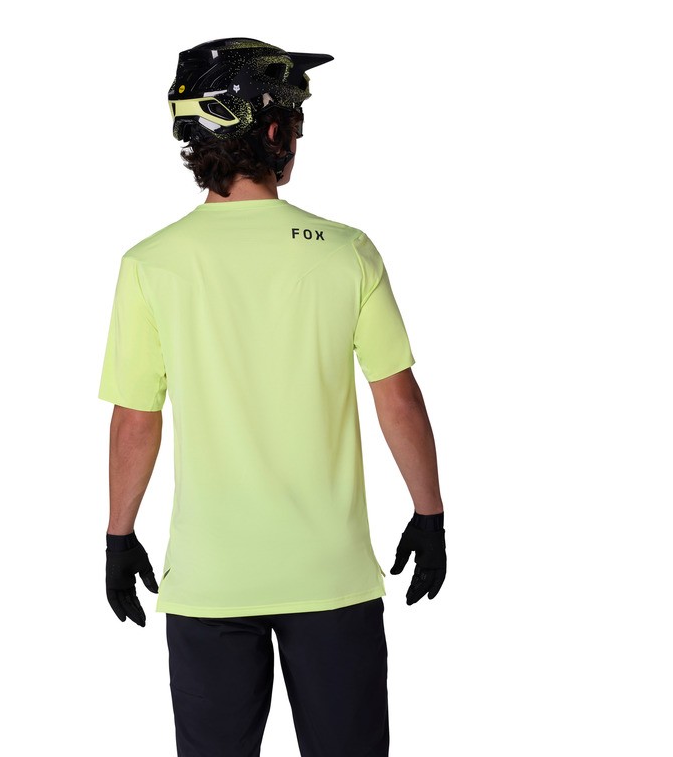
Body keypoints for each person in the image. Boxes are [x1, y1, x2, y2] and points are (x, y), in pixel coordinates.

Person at [98, 37, 446, 757]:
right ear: (278, 131)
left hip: (209, 582)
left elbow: (136, 419)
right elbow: (397, 397)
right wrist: (429, 513)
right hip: (331, 576)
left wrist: (118, 535)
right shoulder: (343, 249)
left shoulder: (150, 263)